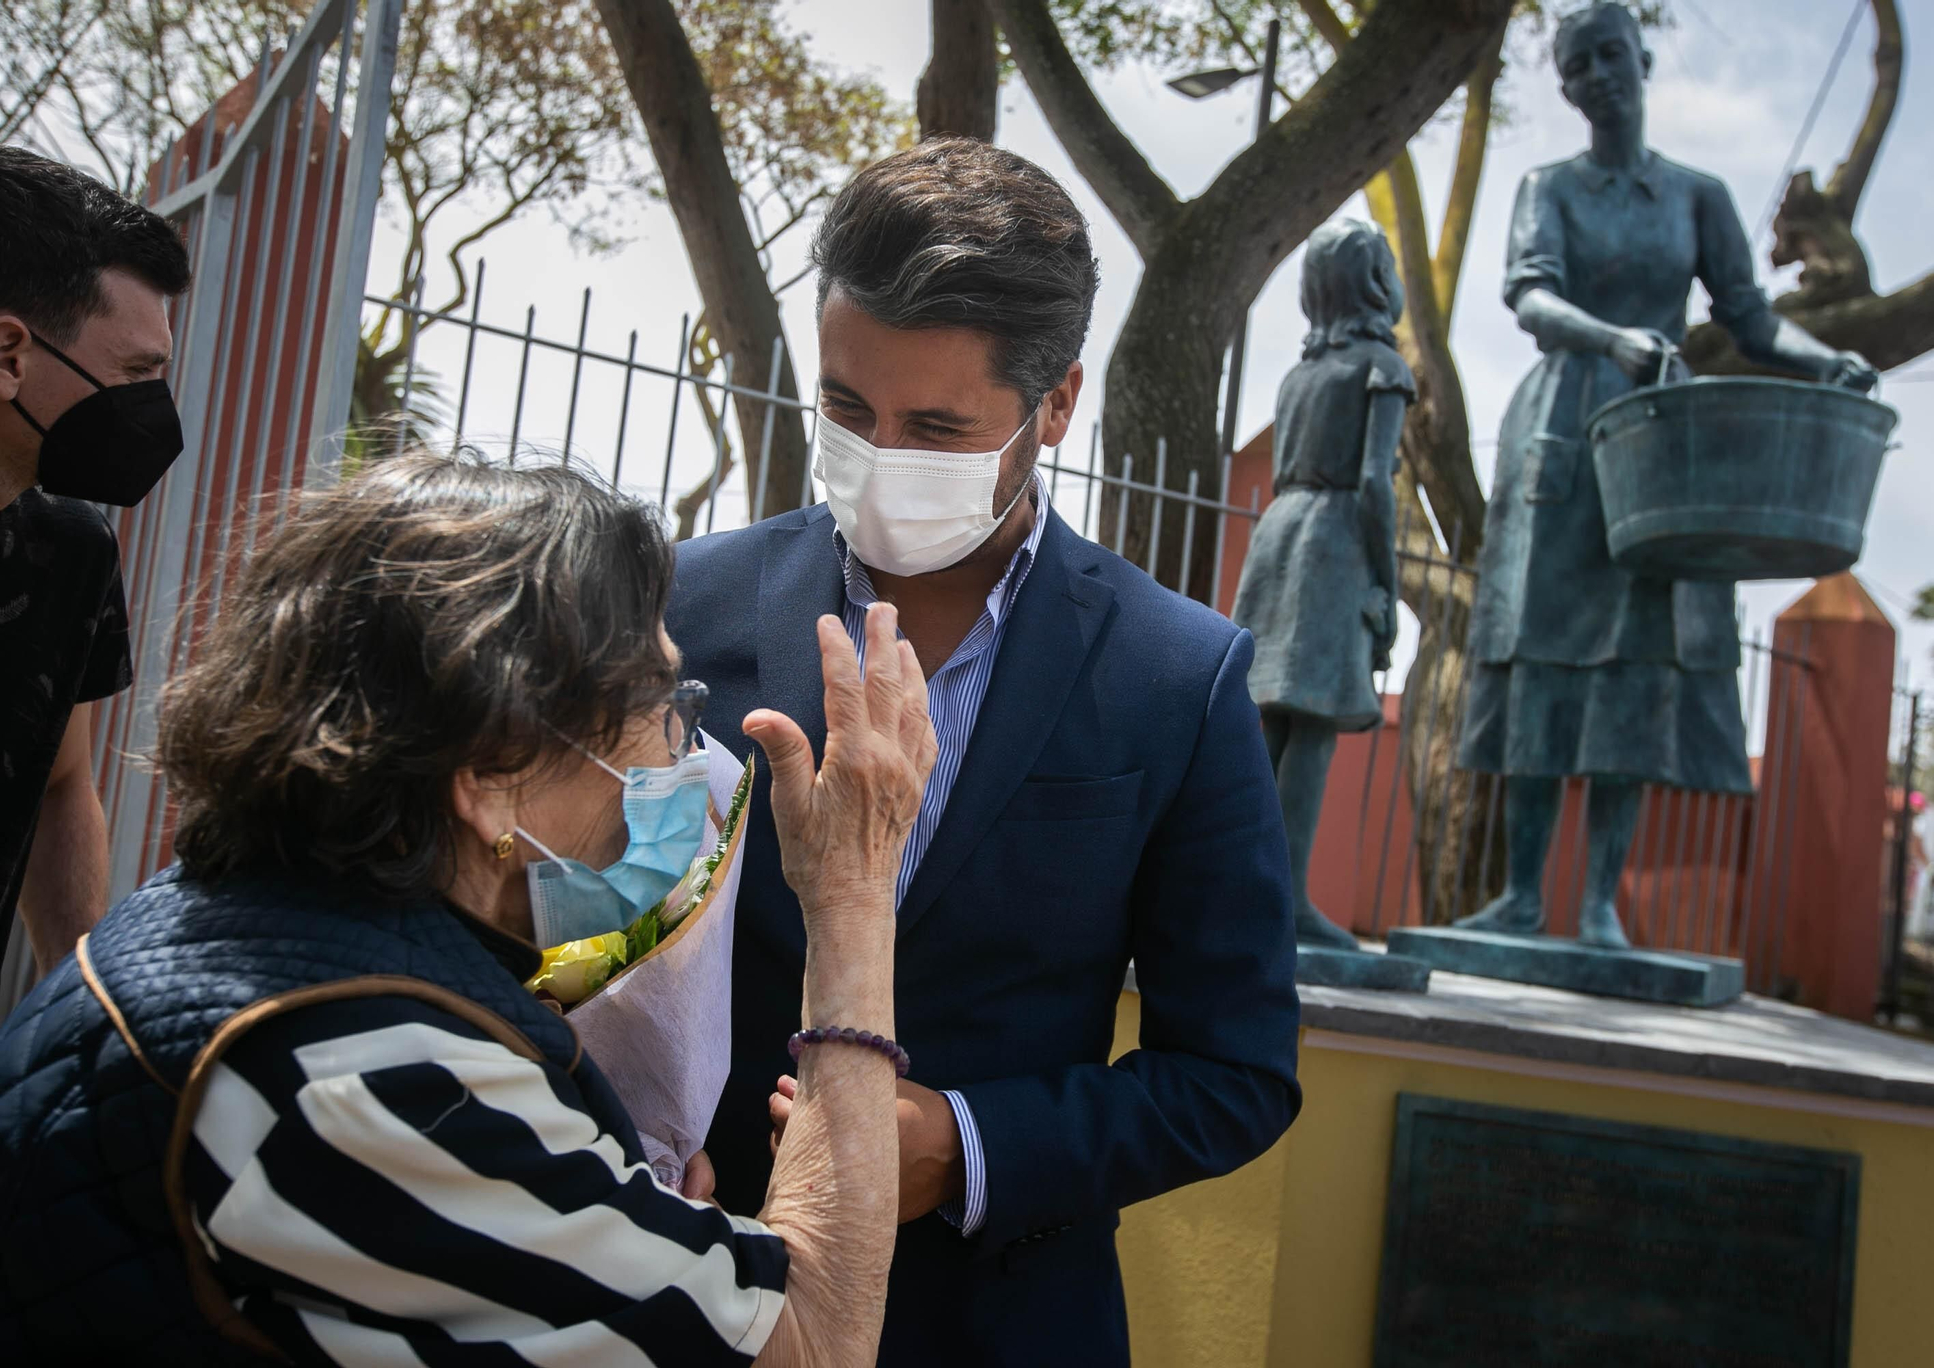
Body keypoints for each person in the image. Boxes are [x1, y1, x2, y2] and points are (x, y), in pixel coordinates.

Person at [0, 454, 937, 1367]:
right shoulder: (358, 1074)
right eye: (657, 708)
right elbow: (812, 1340)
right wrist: (849, 891)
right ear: (493, 774)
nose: (680, 754)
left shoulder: (244, 929)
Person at [669, 137, 1301, 1366]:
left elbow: (1234, 1076)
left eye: (938, 426)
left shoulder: (1175, 677)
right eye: (847, 408)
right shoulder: (681, 608)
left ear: (1055, 404)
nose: (879, 453)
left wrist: (963, 1145)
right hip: (680, 1294)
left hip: (997, 1325)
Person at [1456, 3, 1878, 949]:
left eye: (1612, 54)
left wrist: (1826, 361)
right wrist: (1613, 339)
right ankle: (1522, 898)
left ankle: (1598, 902)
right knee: (1543, 655)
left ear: (1639, 60)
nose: (1600, 74)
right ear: (1566, 88)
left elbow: (1753, 318)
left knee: (1639, 667)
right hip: (1566, 422)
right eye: (1579, 65)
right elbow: (1528, 290)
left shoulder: (1697, 194)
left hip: (1662, 442)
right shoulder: (1549, 185)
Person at [0, 143, 192, 1111]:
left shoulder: (69, 555)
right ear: (8, 356)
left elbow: (60, 786)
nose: (152, 410)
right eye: (134, 372)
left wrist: (78, 1033)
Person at [1230, 219, 1414, 953]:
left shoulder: (1299, 374)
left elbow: (1282, 473)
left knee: (1273, 723)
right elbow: (1375, 481)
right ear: (1376, 282)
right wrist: (1388, 583)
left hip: (1281, 533)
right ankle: (1289, 902)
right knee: (1311, 728)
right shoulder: (1381, 368)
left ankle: (1248, 896)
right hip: (1334, 541)